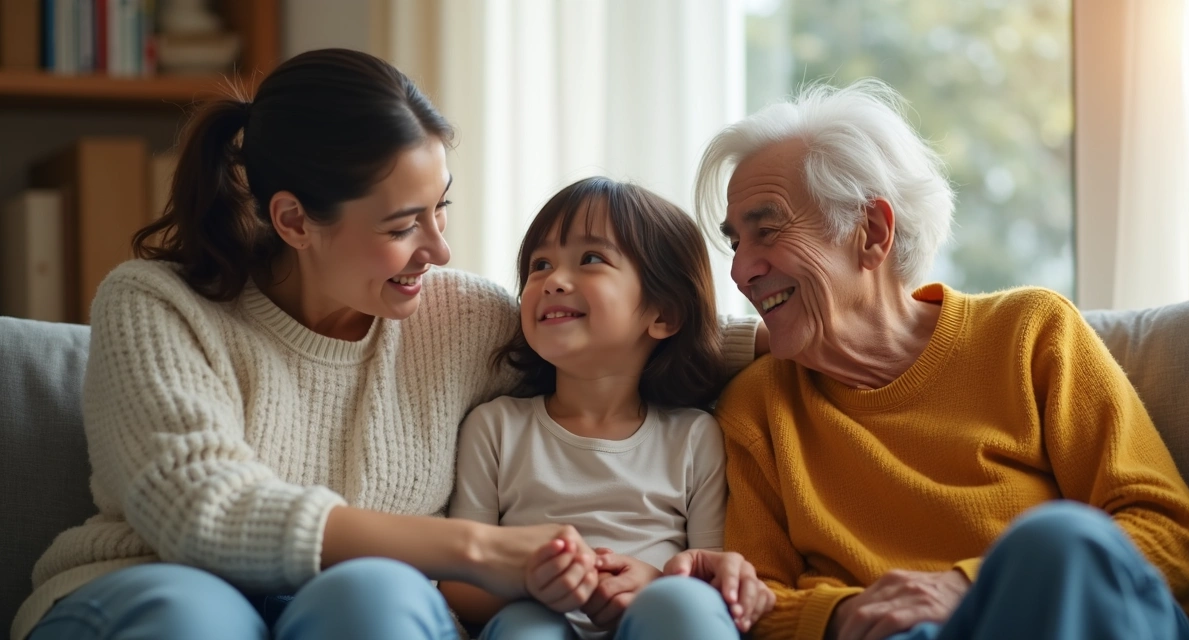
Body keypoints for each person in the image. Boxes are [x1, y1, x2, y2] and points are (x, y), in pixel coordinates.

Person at [11, 50, 764, 640]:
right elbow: (202, 507)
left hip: (349, 604)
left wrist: (802, 330)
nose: (439, 249)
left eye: (442, 209)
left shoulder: (459, 317)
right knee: (196, 617)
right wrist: (475, 550)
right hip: (153, 590)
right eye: (404, 225)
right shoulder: (156, 304)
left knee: (375, 592)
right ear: (295, 221)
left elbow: (621, 330)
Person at [664, 78, 1189, 640]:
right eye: (736, 243)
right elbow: (753, 603)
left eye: (768, 228)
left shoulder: (1029, 334)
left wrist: (970, 587)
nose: (740, 271)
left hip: (1086, 617)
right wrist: (842, 614)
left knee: (1057, 541)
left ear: (872, 233)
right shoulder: (758, 408)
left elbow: (1169, 530)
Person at [439, 177, 775, 640]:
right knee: (523, 629)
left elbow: (710, 573)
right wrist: (533, 582)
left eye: (591, 259)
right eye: (539, 265)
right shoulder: (495, 427)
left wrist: (654, 583)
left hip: (656, 618)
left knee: (683, 606)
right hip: (531, 612)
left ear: (663, 315)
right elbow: (459, 586)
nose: (553, 281)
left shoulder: (694, 436)